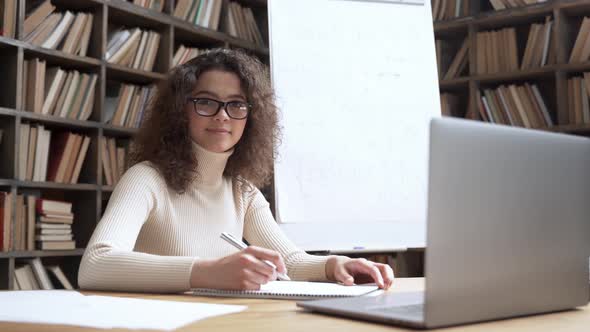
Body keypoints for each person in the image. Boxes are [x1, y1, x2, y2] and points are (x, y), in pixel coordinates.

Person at [78, 48, 394, 293]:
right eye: (206, 102)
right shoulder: (146, 178)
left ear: (250, 117)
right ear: (179, 110)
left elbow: (290, 263)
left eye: (236, 104)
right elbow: (95, 265)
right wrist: (208, 272)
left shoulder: (243, 192)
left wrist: (335, 264)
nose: (222, 116)